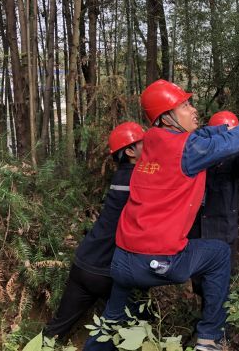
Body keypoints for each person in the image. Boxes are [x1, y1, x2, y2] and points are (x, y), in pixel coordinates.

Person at [84, 80, 239, 351]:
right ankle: (209, 338)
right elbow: (222, 146)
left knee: (111, 321)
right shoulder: (186, 151)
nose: (193, 109)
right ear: (167, 118)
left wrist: (227, 127)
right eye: (185, 105)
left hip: (122, 259)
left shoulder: (153, 139)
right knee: (219, 254)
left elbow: (202, 136)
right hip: (157, 261)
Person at [44, 122, 144, 340]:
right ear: (129, 151)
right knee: (139, 323)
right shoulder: (138, 179)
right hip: (106, 271)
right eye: (142, 142)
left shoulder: (120, 177)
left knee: (56, 329)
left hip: (83, 262)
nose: (149, 145)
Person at [188, 110, 239, 300]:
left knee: (219, 281)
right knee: (199, 280)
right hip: (198, 227)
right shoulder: (200, 153)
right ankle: (204, 311)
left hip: (223, 227)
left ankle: (217, 322)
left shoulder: (236, 158)